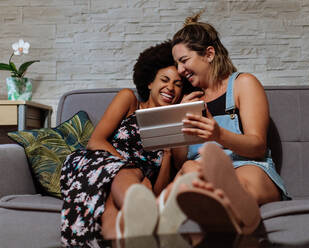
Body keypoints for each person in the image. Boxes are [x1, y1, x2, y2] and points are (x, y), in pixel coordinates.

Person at [168, 12, 291, 234]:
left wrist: (219, 135)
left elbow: (257, 147)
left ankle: (220, 206)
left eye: (184, 61)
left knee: (233, 186)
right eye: (177, 63)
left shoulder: (243, 84)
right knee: (188, 168)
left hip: (247, 165)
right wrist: (178, 123)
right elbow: (179, 162)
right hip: (201, 171)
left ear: (209, 53)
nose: (179, 70)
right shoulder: (187, 99)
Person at [60, 40, 191, 247]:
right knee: (136, 176)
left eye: (178, 84)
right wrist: (131, 167)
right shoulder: (129, 100)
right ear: (149, 82)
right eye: (164, 80)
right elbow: (96, 141)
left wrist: (168, 149)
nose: (170, 88)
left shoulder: (171, 126)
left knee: (128, 195)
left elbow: (157, 191)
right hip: (96, 163)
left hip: (128, 185)